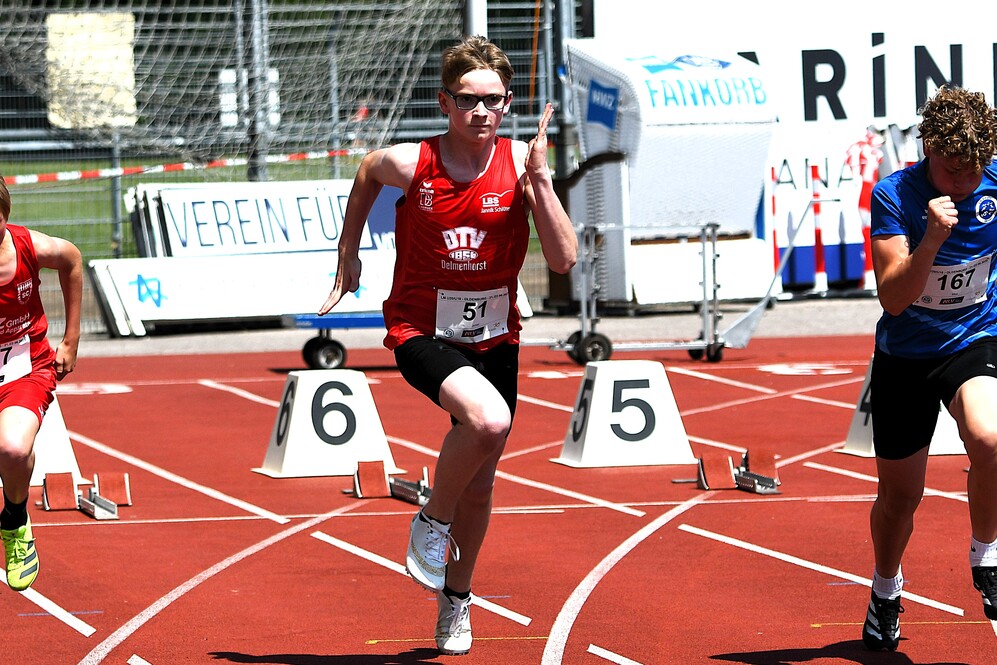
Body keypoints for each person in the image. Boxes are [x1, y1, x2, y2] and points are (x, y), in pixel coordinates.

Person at [318, 35, 577, 655]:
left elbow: (565, 260)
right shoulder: (414, 163)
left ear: (508, 104)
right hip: (420, 328)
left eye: (493, 101)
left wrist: (540, 181)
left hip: (494, 334)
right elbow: (367, 171)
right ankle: (431, 519)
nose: (481, 113)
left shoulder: (521, 165)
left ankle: (455, 602)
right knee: (488, 420)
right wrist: (347, 253)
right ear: (445, 103)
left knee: (483, 486)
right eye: (467, 101)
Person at [864, 85, 997, 651]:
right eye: (951, 171)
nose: (963, 183)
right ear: (928, 152)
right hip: (906, 356)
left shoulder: (993, 186)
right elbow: (893, 299)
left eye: (974, 171)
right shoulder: (895, 195)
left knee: (991, 436)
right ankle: (886, 589)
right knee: (900, 500)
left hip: (974, 337)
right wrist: (933, 240)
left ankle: (987, 553)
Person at [0, 174, 82, 591]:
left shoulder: (32, 246)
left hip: (25, 364)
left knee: (13, 449)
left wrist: (71, 339)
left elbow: (72, 260)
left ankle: (14, 520)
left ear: (5, 215)